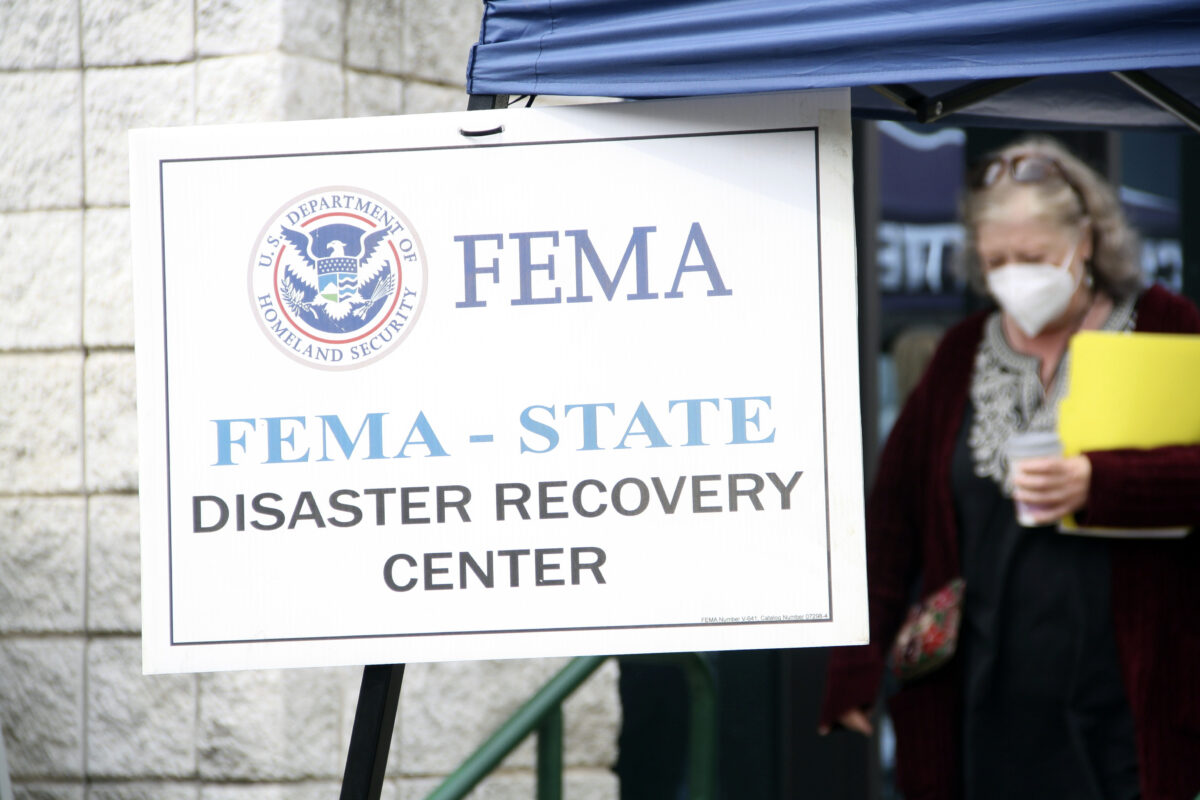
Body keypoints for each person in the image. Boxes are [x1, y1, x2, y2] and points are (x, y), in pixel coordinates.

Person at [819, 137, 1200, 800]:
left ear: (1085, 241)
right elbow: (891, 522)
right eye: (997, 260)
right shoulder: (961, 352)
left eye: (1034, 258)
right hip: (981, 701)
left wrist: (1103, 484)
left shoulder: (1168, 327)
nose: (1014, 275)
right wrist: (858, 662)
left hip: (1131, 699)